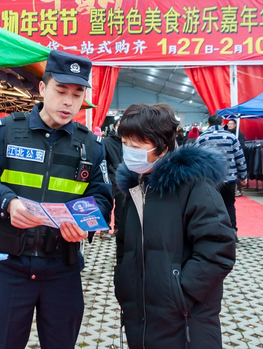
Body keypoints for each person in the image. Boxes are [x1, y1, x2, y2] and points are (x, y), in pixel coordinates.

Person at [0, 50, 113, 349]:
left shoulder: (91, 146)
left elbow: (102, 197)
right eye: (61, 91)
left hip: (62, 269)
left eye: (77, 94)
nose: (68, 102)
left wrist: (83, 223)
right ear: (43, 88)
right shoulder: (5, 132)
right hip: (11, 267)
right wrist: (8, 202)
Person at [114, 103, 236, 348]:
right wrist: (124, 281)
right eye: (125, 144)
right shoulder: (136, 188)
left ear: (162, 147)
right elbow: (124, 244)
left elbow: (218, 250)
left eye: (136, 147)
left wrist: (179, 294)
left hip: (185, 322)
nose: (128, 153)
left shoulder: (196, 187)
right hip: (141, 315)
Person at [196, 115, 248, 237]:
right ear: (222, 123)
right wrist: (243, 176)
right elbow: (240, 158)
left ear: (208, 124)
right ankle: (232, 231)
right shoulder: (231, 137)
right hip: (229, 178)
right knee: (229, 204)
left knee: (210, 207)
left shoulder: (202, 138)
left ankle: (213, 233)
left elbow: (196, 160)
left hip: (210, 180)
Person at [103, 120, 125, 239]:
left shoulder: (128, 142)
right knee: (107, 204)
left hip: (124, 178)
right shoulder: (107, 142)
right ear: (114, 127)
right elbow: (103, 160)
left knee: (122, 205)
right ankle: (104, 229)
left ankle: (118, 228)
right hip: (109, 178)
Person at [226, 119, 247, 197]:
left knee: (237, 173)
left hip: (236, 157)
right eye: (229, 124)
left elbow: (242, 147)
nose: (230, 125)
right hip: (227, 157)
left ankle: (239, 189)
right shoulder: (226, 134)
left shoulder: (239, 135)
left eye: (231, 124)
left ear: (235, 125)